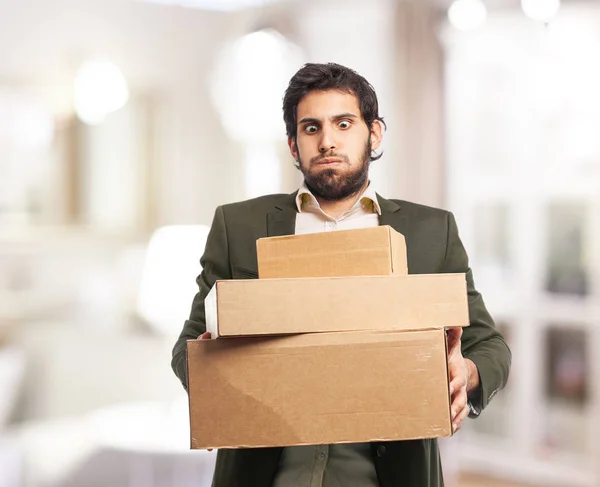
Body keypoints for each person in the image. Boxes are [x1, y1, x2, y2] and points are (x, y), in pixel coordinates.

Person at [171, 62, 511, 487]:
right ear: (294, 145)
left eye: (343, 123)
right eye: (311, 128)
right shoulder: (238, 227)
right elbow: (187, 347)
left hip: (389, 473)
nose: (327, 141)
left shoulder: (430, 232)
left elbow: (489, 346)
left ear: (374, 133)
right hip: (267, 473)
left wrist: (467, 373)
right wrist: (214, 371)